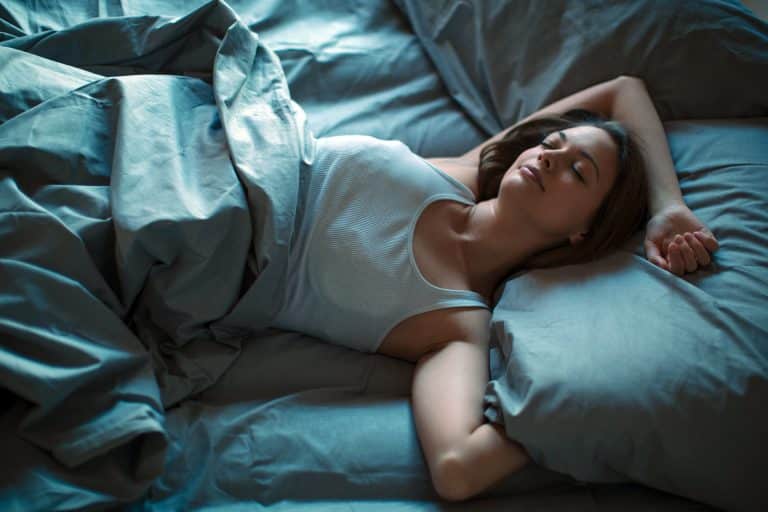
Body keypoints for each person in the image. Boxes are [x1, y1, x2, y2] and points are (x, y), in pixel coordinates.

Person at [270, 75, 719, 501]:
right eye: (550, 143)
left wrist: (604, 402)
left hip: (219, 235)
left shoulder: (455, 325)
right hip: (242, 139)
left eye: (577, 171)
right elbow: (624, 91)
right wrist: (669, 204)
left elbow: (457, 468)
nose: (548, 157)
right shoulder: (464, 171)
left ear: (585, 230)